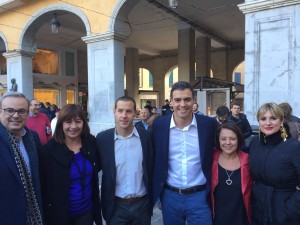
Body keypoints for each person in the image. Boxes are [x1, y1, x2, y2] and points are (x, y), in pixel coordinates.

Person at [152, 81, 217, 225]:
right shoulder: (159, 125)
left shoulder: (208, 125)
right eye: (177, 100)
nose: (182, 104)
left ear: (194, 100)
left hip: (200, 196)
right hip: (170, 196)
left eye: (187, 99)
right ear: (171, 102)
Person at [39, 104, 102, 225]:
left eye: (78, 121)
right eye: (68, 122)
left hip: (86, 213)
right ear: (61, 124)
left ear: (83, 123)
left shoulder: (91, 142)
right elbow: (43, 185)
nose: (73, 126)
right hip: (59, 214)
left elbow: (96, 168)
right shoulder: (48, 150)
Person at [96, 96, 153, 225]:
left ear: (135, 113)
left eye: (128, 111)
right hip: (115, 206)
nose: (124, 115)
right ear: (114, 112)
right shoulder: (103, 139)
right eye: (120, 111)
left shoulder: (146, 137)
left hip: (142, 206)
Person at [249, 102, 300, 225]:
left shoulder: (294, 147)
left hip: (285, 214)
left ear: (281, 120)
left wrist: (290, 209)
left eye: (273, 118)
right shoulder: (254, 143)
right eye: (263, 119)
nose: (268, 123)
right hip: (257, 211)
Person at [0, 91, 43, 224]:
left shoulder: (33, 138)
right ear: (1, 111)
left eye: (21, 111)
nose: (16, 115)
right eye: (10, 110)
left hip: (34, 215)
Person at [211, 123, 252, 225]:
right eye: (223, 139)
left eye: (232, 139)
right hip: (217, 218)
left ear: (239, 140)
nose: (228, 143)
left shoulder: (248, 160)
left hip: (241, 218)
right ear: (218, 140)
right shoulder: (211, 159)